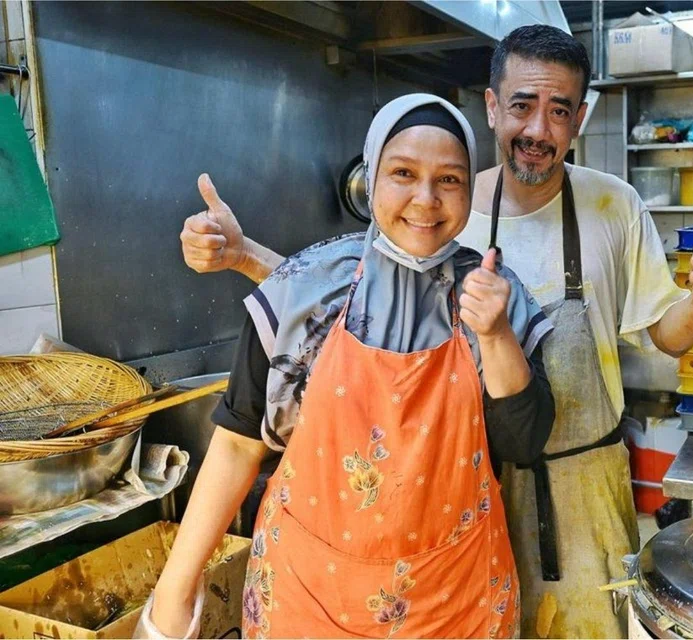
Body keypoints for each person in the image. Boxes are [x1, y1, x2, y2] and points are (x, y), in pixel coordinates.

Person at [179, 25, 693, 640]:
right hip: (468, 482)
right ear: (493, 107)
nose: (537, 130)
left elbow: (667, 334)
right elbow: (350, 291)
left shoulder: (613, 205)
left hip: (576, 479)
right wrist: (244, 256)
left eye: (559, 112)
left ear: (579, 120)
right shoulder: (450, 198)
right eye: (522, 106)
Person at [142, 94, 556, 639]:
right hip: (308, 598)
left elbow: (522, 446)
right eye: (403, 173)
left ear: (469, 191)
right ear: (372, 179)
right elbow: (240, 441)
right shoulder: (304, 288)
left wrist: (497, 336)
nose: (425, 199)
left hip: (454, 602)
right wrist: (176, 588)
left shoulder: (496, 296)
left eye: (450, 180)